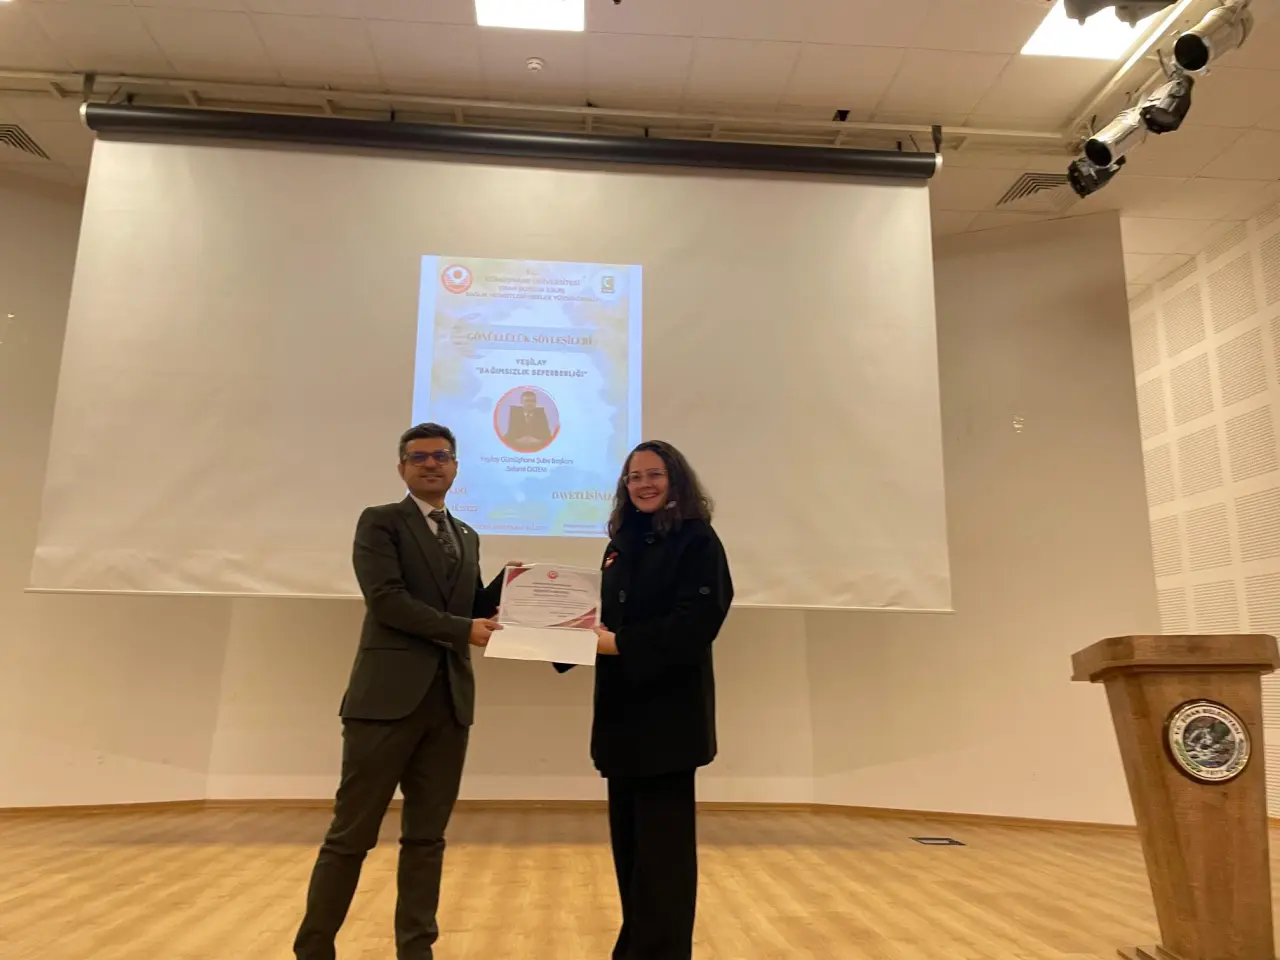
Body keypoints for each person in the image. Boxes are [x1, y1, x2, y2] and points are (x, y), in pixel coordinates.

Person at [294, 422, 516, 960]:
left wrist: (517, 589)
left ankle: (417, 952)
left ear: (456, 467)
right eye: (419, 457)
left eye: (441, 456)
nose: (431, 464)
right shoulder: (380, 522)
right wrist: (463, 628)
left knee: (426, 840)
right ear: (402, 468)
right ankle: (314, 950)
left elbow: (467, 607)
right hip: (384, 704)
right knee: (351, 836)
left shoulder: (467, 535)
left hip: (449, 704)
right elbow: (388, 601)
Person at [556, 440, 733, 960]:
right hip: (621, 721)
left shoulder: (698, 540)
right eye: (634, 477)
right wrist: (546, 629)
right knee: (632, 854)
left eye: (654, 474)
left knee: (664, 862)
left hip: (668, 724)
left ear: (675, 479)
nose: (643, 484)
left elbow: (697, 622)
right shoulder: (620, 542)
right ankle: (636, 948)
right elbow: (600, 618)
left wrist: (620, 645)